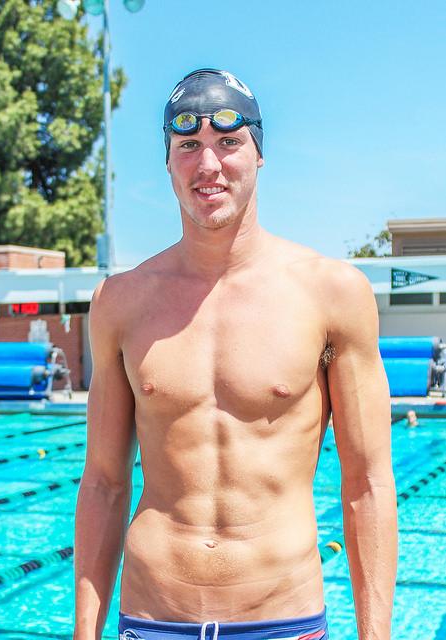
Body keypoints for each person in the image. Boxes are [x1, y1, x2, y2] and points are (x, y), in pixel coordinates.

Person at [73, 68, 398, 640]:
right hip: (150, 620)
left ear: (258, 153)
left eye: (228, 143)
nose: (208, 165)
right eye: (188, 146)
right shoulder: (119, 302)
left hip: (282, 619)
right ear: (168, 161)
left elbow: (367, 482)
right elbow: (103, 483)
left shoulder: (331, 293)